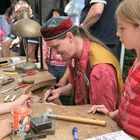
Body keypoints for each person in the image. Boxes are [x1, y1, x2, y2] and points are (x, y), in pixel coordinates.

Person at [41, 16, 123, 111]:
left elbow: (103, 117)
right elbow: (77, 86)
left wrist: (62, 111)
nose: (55, 53)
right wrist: (60, 91)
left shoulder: (100, 70)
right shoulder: (74, 56)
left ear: (70, 37)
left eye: (56, 46)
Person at [88, 0, 140, 138]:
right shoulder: (136, 62)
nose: (117, 33)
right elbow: (131, 105)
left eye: (122, 28)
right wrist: (112, 114)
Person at [39, 9, 69, 86]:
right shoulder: (46, 36)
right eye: (52, 19)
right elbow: (41, 55)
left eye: (58, 18)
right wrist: (46, 73)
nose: (55, 22)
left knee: (65, 91)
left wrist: (65, 78)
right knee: (48, 89)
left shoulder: (67, 36)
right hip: (50, 67)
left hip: (65, 68)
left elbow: (72, 60)